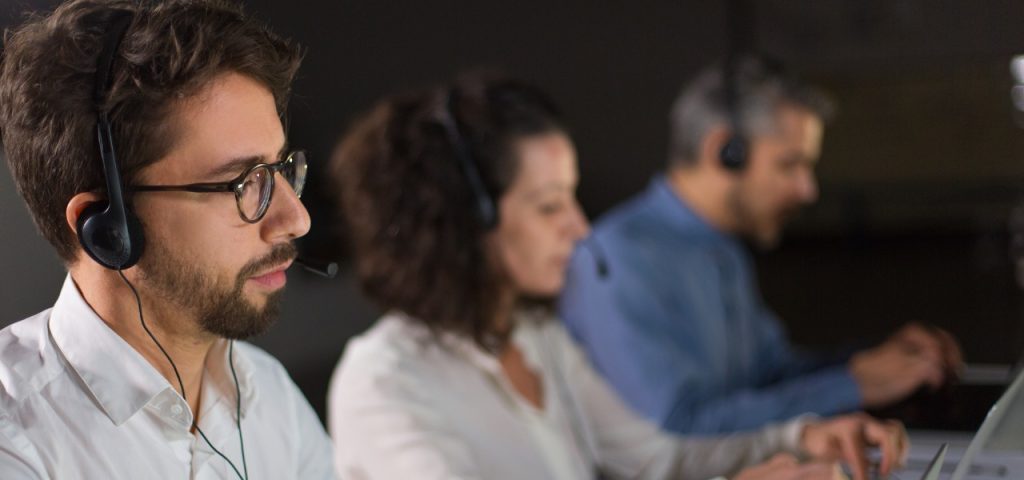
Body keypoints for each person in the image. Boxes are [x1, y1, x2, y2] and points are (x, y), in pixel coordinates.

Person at [326, 73, 907, 480]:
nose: (580, 230)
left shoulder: (537, 340)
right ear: (463, 222)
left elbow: (656, 461)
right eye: (550, 206)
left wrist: (798, 439)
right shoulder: (384, 384)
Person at [0, 1, 333, 478]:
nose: (295, 218)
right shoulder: (16, 443)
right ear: (108, 229)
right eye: (243, 182)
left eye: (279, 168)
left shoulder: (268, 391)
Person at [558, 56, 964, 436]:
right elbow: (678, 427)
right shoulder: (618, 259)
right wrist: (852, 385)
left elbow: (768, 374)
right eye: (790, 165)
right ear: (725, 151)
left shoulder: (723, 248)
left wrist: (873, 361)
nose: (808, 190)